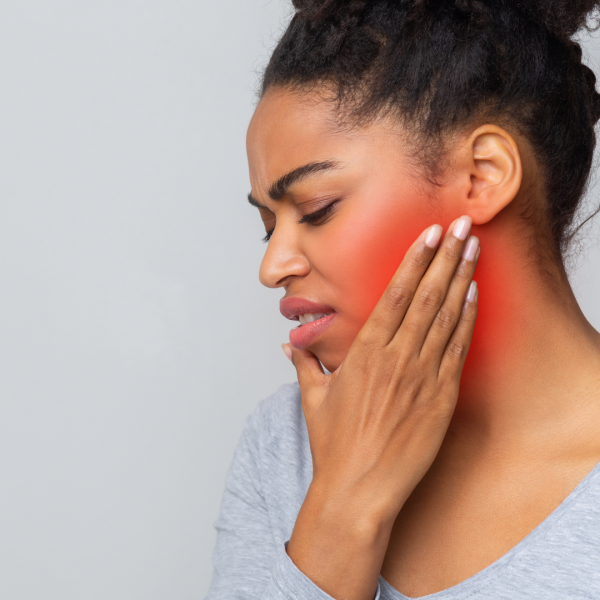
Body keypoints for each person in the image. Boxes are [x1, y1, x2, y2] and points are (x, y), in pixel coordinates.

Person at [206, 1, 600, 598]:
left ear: (483, 176)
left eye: (316, 209)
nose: (272, 266)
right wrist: (343, 509)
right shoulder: (283, 448)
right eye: (269, 226)